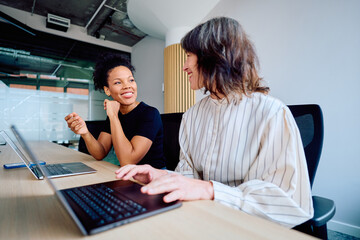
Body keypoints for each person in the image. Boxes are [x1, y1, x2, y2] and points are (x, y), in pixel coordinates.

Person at [115, 17, 313, 227]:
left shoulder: (272, 114)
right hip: (203, 218)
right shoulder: (192, 115)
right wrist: (161, 175)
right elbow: (188, 176)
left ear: (213, 57)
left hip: (249, 228)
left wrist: (210, 190)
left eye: (188, 56)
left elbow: (288, 203)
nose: (184, 67)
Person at [65, 54, 165, 169]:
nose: (127, 86)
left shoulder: (150, 114)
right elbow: (100, 153)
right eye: (118, 82)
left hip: (153, 179)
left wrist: (113, 116)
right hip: (128, 176)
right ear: (107, 90)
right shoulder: (115, 114)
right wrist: (85, 133)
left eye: (131, 80)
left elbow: (128, 161)